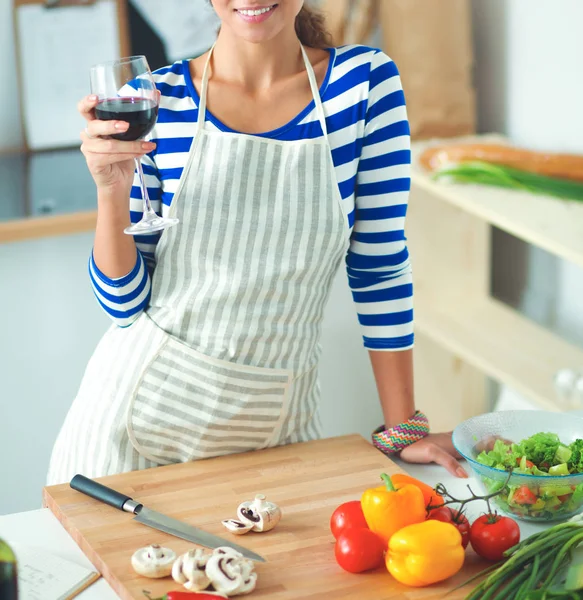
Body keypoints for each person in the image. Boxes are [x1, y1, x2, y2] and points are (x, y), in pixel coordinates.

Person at [47, 0, 467, 485]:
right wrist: (110, 191)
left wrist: (403, 429)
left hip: (274, 429)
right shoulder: (155, 99)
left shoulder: (365, 84)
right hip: (135, 430)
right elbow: (122, 305)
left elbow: (380, 268)